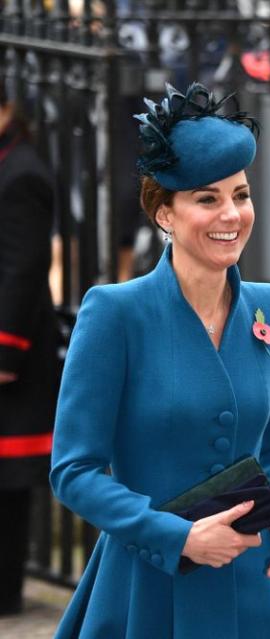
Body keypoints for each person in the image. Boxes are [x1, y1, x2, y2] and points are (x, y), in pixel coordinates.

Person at [50, 83, 270, 638]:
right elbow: (73, 471)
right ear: (165, 214)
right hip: (145, 586)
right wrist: (177, 536)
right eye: (207, 199)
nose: (232, 214)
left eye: (241, 195)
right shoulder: (115, 314)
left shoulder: (269, 307)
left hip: (253, 583)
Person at [0, 82, 60, 617]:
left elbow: (21, 271)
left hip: (12, 355)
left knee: (8, 487)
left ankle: (6, 591)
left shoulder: (22, 174)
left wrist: (5, 352)